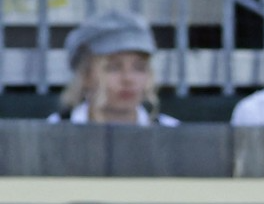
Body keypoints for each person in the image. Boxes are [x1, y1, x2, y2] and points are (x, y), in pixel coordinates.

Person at [47, 10, 178, 126]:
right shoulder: (51, 133)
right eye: (113, 67)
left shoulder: (174, 134)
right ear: (85, 75)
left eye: (139, 67)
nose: (128, 79)